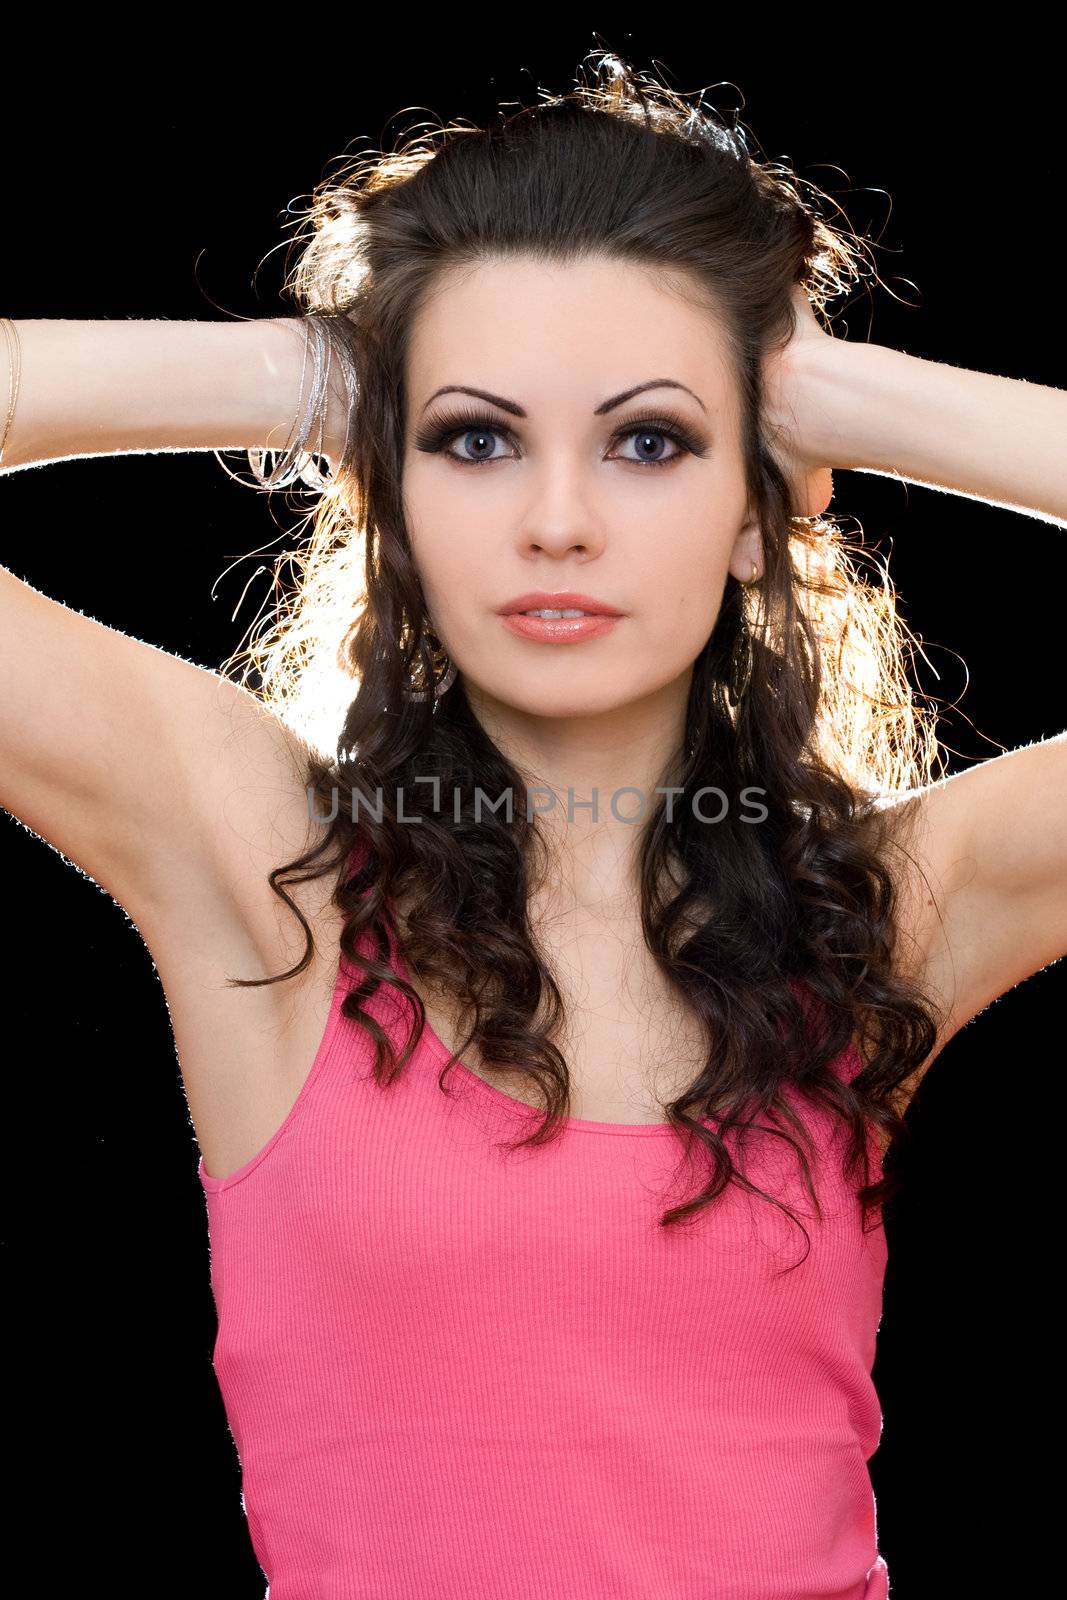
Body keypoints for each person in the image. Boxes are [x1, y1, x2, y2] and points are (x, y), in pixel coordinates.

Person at [2, 51, 1064, 1600]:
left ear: (756, 507)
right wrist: (316, 382)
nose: (556, 518)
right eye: (476, 440)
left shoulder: (894, 913)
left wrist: (836, 396)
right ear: (390, 494)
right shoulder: (263, 876)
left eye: (650, 442)